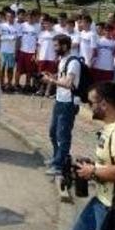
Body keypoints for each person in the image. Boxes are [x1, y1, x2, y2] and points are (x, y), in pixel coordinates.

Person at [69, 81, 115, 230]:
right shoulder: (110, 128)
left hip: (113, 208)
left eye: (92, 103)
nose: (89, 107)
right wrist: (93, 166)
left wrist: (94, 170)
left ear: (105, 104)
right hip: (100, 200)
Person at [42, 34, 81, 176]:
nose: (54, 48)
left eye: (56, 46)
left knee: (62, 135)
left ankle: (59, 165)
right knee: (53, 133)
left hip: (68, 103)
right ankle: (56, 158)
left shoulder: (73, 62)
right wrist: (52, 77)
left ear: (65, 46)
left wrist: (51, 81)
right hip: (59, 100)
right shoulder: (63, 60)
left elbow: (68, 83)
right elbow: (62, 78)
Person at [0, 10, 20, 92]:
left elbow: (18, 39)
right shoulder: (2, 26)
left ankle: (9, 84)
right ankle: (1, 84)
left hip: (12, 51)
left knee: (10, 69)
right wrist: (10, 37)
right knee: (2, 69)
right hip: (3, 51)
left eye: (12, 16)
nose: (10, 18)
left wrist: (16, 51)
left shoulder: (18, 26)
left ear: (14, 17)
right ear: (6, 17)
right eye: (8, 16)